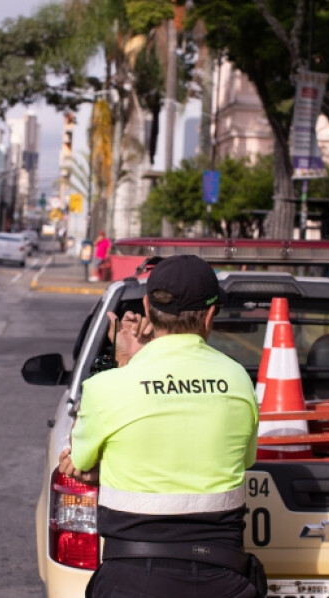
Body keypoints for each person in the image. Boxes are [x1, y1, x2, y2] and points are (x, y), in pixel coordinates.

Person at [59, 254, 264, 597]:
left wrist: (126, 361)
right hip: (222, 579)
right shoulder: (238, 380)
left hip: (131, 582)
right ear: (210, 314)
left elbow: (79, 462)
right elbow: (242, 461)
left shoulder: (107, 387)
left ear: (146, 306)